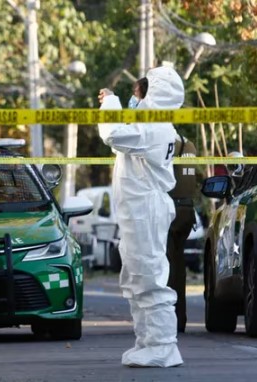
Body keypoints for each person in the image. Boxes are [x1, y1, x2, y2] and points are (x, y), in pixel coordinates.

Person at [97, 66, 185, 368]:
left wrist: (111, 103)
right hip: (139, 210)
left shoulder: (153, 126)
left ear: (153, 95)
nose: (136, 100)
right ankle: (148, 342)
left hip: (145, 210)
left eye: (138, 95)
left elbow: (111, 133)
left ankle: (162, 346)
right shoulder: (155, 125)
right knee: (136, 278)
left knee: (149, 277)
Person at [166, 133, 199, 334]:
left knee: (166, 268)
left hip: (170, 210)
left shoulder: (167, 142)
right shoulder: (190, 144)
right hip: (187, 211)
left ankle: (168, 320)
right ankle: (180, 319)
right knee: (178, 266)